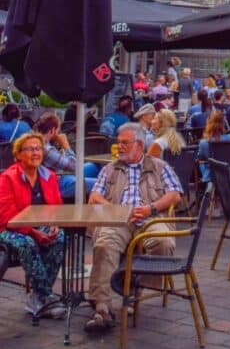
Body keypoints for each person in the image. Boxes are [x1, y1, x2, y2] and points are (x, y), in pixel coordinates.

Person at [86, 123, 182, 332]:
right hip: (118, 220)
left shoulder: (159, 166)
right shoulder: (109, 169)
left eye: (124, 143)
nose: (118, 147)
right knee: (104, 245)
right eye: (118, 142)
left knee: (163, 242)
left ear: (139, 144)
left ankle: (133, 288)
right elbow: (94, 196)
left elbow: (175, 194)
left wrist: (151, 208)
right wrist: (114, 209)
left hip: (150, 218)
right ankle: (102, 307)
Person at [0, 132, 65, 317]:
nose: (35, 153)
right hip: (9, 229)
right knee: (26, 243)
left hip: (39, 227)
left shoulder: (49, 176)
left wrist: (54, 225)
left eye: (38, 149)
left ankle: (38, 298)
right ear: (19, 154)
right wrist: (33, 232)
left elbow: (57, 207)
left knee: (59, 238)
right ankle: (47, 296)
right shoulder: (7, 178)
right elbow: (6, 217)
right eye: (30, 149)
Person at [33, 112, 99, 200]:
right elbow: (75, 167)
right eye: (58, 130)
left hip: (61, 174)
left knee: (94, 167)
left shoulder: (40, 142)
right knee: (100, 184)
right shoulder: (46, 149)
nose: (59, 133)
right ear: (52, 130)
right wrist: (65, 144)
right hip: (57, 183)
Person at [196, 109, 230, 184]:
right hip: (229, 174)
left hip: (211, 177)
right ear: (223, 123)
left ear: (208, 123)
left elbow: (199, 158)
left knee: (200, 162)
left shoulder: (204, 143)